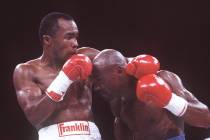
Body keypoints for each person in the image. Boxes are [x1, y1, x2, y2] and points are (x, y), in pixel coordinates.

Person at [13, 12, 101, 140]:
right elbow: (34, 115)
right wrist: (65, 78)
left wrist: (136, 64)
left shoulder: (86, 56)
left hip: (91, 135)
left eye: (76, 37)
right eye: (69, 37)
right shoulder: (27, 71)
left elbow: (119, 64)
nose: (75, 43)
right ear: (47, 40)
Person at [92, 49, 210, 140]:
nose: (96, 87)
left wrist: (169, 99)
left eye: (99, 79)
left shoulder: (162, 79)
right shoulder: (116, 100)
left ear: (119, 71)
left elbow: (206, 119)